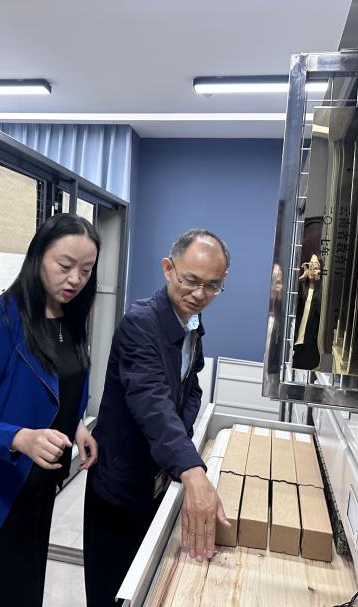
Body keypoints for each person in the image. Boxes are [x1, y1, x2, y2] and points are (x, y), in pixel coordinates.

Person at [0, 213, 100, 607]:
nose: (75, 279)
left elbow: (63, 384)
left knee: (28, 593)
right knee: (3, 596)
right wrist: (20, 438)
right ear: (38, 257)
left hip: (40, 486)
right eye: (65, 265)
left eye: (86, 270)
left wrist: (76, 424)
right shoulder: (1, 321)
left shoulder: (70, 317)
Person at [84, 228, 232, 607]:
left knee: (147, 585)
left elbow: (190, 387)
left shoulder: (191, 322)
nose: (199, 294)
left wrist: (177, 454)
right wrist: (191, 469)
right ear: (168, 268)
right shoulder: (141, 323)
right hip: (119, 484)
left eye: (212, 286)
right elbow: (152, 403)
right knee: (113, 593)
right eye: (191, 281)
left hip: (156, 474)